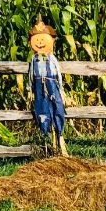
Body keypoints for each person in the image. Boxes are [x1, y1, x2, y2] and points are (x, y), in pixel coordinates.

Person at [28, 19, 67, 154]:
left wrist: (61, 89)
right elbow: (31, 75)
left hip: (52, 84)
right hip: (39, 86)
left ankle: (59, 137)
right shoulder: (34, 59)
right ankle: (47, 139)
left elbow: (58, 75)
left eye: (43, 39)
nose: (39, 42)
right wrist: (30, 89)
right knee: (42, 110)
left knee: (57, 108)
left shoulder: (52, 59)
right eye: (36, 39)